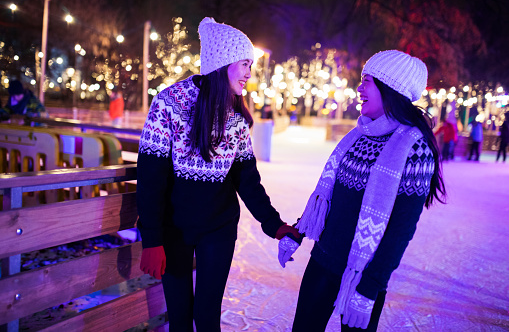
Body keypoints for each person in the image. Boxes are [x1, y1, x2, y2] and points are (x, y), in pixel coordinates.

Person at [136, 17, 300, 331]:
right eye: (244, 64)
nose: (249, 74)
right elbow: (151, 177)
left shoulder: (237, 116)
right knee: (180, 317)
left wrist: (274, 224)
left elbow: (247, 180)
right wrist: (153, 239)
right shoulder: (168, 104)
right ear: (222, 63)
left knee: (207, 316)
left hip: (219, 229)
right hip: (174, 230)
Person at [281, 50, 446, 331]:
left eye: (367, 81)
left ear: (389, 88)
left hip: (363, 275)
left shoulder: (414, 148)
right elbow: (334, 199)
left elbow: (401, 229)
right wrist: (300, 230)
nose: (359, 88)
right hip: (323, 261)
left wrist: (370, 287)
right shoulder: (358, 135)